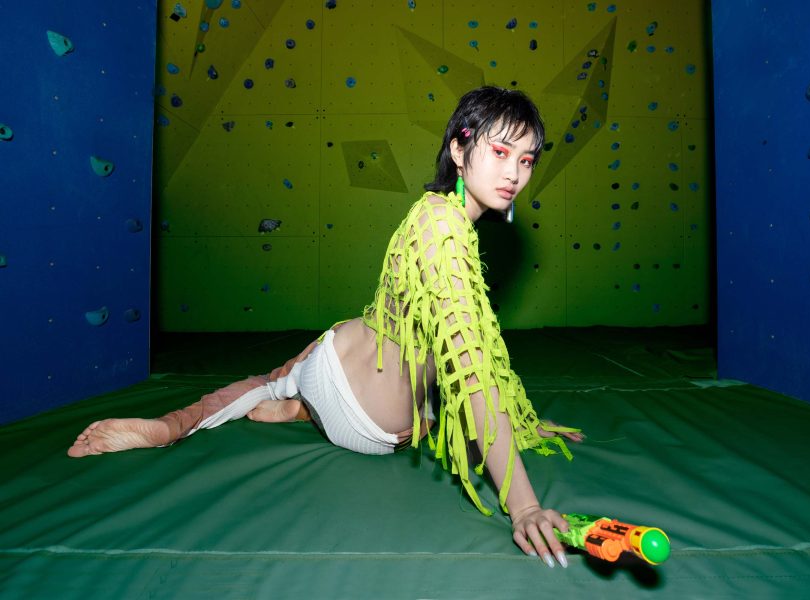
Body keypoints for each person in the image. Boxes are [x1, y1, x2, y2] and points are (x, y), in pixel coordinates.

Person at [68, 86, 584, 569]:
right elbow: (471, 372)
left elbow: (470, 350)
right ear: (458, 149)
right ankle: (291, 410)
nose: (514, 173)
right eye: (500, 152)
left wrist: (515, 420)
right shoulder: (447, 234)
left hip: (331, 361)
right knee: (439, 410)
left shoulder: (430, 213)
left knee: (270, 379)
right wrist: (524, 506)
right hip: (377, 430)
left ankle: (192, 422)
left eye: (526, 160)